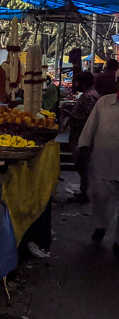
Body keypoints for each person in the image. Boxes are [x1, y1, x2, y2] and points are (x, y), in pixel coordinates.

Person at [77, 78, 119, 257]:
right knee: (101, 198)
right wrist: (83, 148)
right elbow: (89, 128)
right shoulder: (104, 102)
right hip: (103, 161)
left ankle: (118, 241)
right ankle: (101, 227)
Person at [64, 72, 100, 203]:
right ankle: (84, 191)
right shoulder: (88, 95)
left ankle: (86, 193)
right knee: (82, 164)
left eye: (77, 82)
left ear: (83, 82)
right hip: (79, 134)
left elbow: (90, 119)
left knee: (83, 164)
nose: (75, 85)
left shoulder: (89, 97)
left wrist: (70, 115)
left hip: (82, 135)